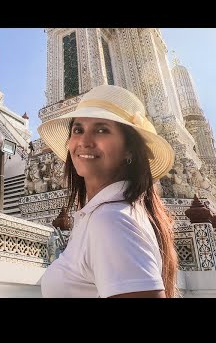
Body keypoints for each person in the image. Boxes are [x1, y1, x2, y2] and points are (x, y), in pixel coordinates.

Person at [38, 85, 178, 298]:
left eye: (102, 129)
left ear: (129, 149)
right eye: (78, 130)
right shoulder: (107, 214)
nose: (84, 141)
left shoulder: (111, 220)